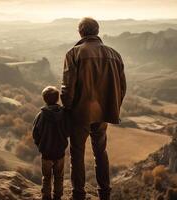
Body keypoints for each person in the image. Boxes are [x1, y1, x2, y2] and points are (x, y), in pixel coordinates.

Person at [61, 17, 126, 200]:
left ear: (81, 32)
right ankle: (104, 193)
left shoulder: (73, 54)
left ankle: (78, 194)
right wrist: (112, 106)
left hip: (80, 113)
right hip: (104, 112)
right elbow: (122, 87)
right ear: (97, 31)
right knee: (100, 152)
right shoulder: (114, 54)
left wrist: (68, 108)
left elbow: (67, 87)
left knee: (77, 153)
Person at [33, 86, 69, 200]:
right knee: (59, 176)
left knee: (46, 177)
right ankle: (57, 196)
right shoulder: (64, 114)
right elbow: (68, 130)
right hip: (60, 152)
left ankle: (46, 196)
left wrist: (40, 145)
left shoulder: (41, 115)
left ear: (44, 99)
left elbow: (35, 133)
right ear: (57, 99)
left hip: (46, 152)